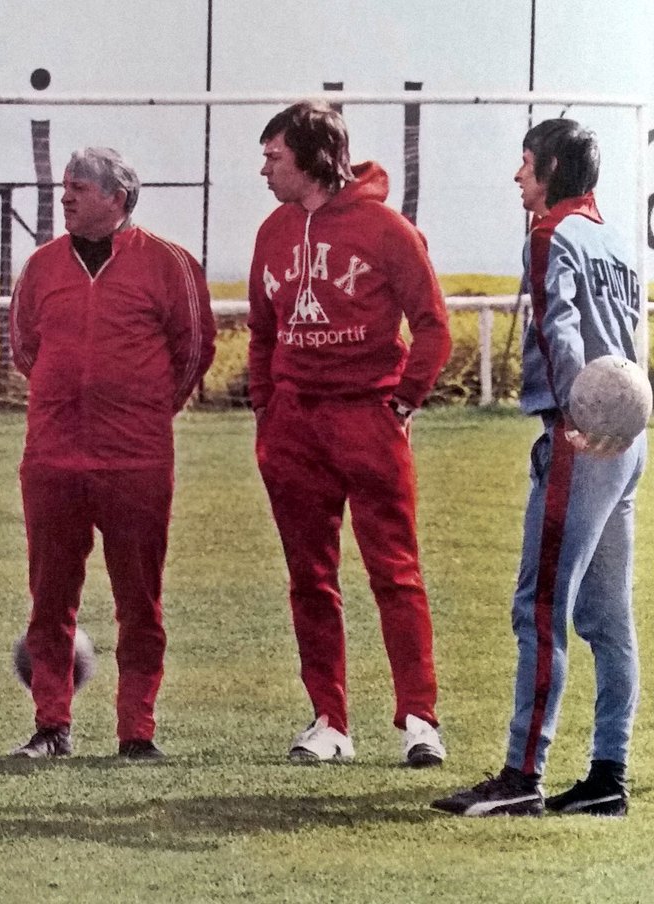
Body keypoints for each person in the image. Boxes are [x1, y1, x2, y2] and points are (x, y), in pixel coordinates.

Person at [433, 119, 645, 817]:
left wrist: (576, 418)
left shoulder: (551, 233)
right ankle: (607, 777)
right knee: (610, 621)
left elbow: (557, 329)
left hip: (581, 441)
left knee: (541, 610)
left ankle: (523, 776)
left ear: (551, 166)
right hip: (627, 442)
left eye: (524, 164)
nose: (516, 177)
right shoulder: (617, 240)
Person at [247, 100, 452, 767]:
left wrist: (402, 401)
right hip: (294, 426)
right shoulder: (271, 233)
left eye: (273, 156)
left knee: (394, 572)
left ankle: (420, 721)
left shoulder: (386, 228)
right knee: (310, 577)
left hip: (368, 418)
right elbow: (262, 332)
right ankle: (329, 723)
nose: (264, 169)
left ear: (308, 155)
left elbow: (432, 325)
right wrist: (266, 407)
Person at [8, 146, 216, 760]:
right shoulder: (41, 267)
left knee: (140, 601)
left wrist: (144, 413)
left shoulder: (169, 264)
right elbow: (26, 349)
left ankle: (137, 733)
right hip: (51, 459)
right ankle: (52, 727)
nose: (64, 197)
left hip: (137, 461)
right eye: (64, 187)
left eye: (77, 188)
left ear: (116, 197)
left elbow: (195, 350)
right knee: (49, 598)